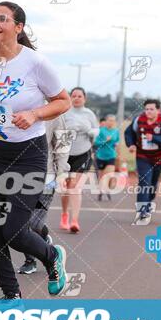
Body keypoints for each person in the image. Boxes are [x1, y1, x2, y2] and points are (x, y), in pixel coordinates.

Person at [0, 1, 71, 300]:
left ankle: (51, 257)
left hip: (27, 156)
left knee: (13, 230)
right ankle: (11, 294)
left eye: (2, 18)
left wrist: (35, 114)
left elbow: (63, 101)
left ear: (18, 27)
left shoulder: (35, 63)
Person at [18, 114, 70, 275]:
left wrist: (62, 172)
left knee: (34, 224)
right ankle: (30, 260)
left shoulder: (56, 113)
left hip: (46, 175)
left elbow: (63, 144)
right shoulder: (17, 105)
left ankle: (42, 236)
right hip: (16, 175)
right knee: (20, 223)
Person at [124, 99, 161, 223]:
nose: (148, 112)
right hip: (143, 157)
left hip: (159, 159)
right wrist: (131, 145)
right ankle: (142, 211)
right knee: (144, 182)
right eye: (147, 109)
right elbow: (128, 133)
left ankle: (148, 203)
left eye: (151, 109)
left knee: (152, 186)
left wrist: (154, 138)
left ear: (158, 110)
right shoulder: (139, 120)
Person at [60, 87, 99, 233]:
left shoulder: (89, 114)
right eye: (74, 96)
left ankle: (74, 220)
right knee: (65, 188)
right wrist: (69, 129)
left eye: (79, 96)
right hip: (65, 153)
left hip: (83, 152)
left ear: (84, 98)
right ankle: (64, 214)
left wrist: (89, 130)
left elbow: (97, 132)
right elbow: (56, 130)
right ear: (70, 97)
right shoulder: (64, 112)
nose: (76, 98)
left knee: (75, 187)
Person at [94, 115, 120, 201]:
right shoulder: (101, 131)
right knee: (102, 176)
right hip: (101, 156)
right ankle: (101, 191)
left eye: (113, 120)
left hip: (111, 155)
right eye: (109, 120)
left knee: (110, 175)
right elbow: (96, 142)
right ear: (106, 121)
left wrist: (116, 145)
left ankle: (107, 189)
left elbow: (117, 141)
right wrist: (104, 141)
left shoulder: (116, 131)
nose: (111, 122)